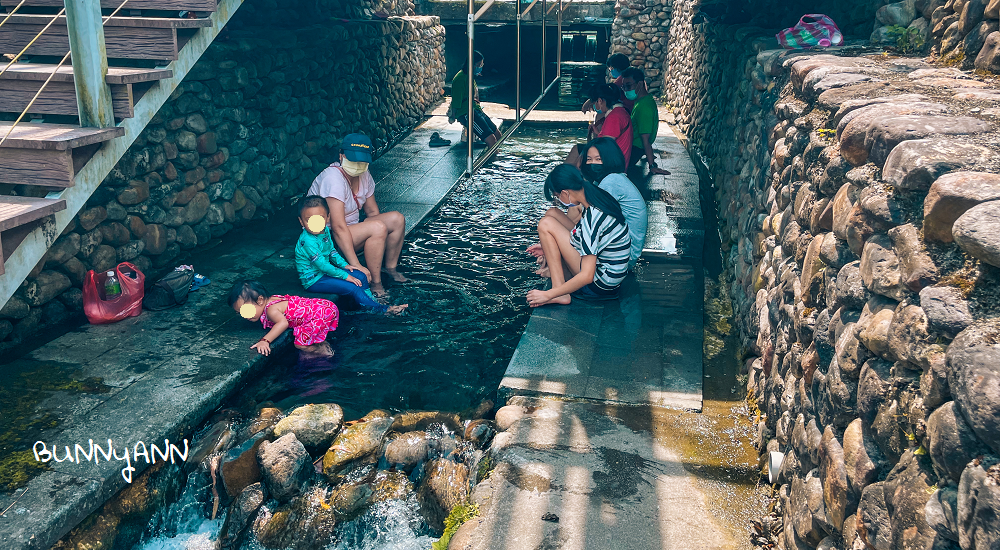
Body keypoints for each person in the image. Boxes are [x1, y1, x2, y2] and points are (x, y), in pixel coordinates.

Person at [307, 133, 407, 297]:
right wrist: (355, 265)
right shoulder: (333, 179)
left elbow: (372, 212)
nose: (358, 165)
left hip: (351, 231)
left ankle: (390, 269)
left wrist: (375, 235)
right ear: (341, 156)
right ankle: (376, 283)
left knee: (397, 219)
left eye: (362, 161)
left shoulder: (364, 175)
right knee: (377, 228)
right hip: (328, 240)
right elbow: (338, 227)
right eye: (353, 160)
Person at [530, 137, 647, 271]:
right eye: (589, 159)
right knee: (553, 213)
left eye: (598, 159)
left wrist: (553, 245)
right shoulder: (606, 181)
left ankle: (557, 278)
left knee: (551, 225)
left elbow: (589, 223)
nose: (593, 164)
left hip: (621, 256)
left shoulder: (611, 182)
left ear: (610, 159)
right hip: (613, 247)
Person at [525, 163, 631, 307]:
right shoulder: (596, 196)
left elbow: (587, 276)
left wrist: (547, 295)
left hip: (600, 284)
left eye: (557, 197)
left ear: (565, 193)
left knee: (546, 224)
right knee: (552, 214)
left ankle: (560, 292)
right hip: (612, 272)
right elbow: (588, 237)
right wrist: (549, 247)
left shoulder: (593, 217)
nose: (560, 201)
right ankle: (557, 272)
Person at [295, 196, 408, 315]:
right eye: (309, 220)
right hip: (314, 280)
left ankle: (372, 303)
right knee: (353, 287)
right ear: (301, 221)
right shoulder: (308, 242)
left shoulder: (325, 231)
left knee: (361, 276)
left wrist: (345, 266)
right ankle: (383, 310)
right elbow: (323, 265)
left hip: (325, 273)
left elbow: (332, 252)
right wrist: (345, 276)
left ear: (328, 217)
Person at [228, 280, 339, 357]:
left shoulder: (270, 310)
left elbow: (282, 323)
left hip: (319, 314)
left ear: (260, 300)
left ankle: (324, 352)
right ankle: (319, 342)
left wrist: (265, 341)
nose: (244, 315)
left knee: (300, 344)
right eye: (240, 313)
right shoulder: (272, 299)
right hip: (323, 306)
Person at [566, 83, 633, 168]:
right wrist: (597, 132)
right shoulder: (620, 112)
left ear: (600, 101)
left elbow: (605, 147)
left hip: (611, 165)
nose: (594, 107)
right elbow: (609, 139)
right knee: (576, 150)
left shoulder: (614, 117)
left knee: (578, 162)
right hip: (614, 159)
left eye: (594, 103)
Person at [448, 50, 502, 147]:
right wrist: (453, 115)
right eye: (479, 65)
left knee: (498, 135)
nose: (480, 67)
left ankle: (497, 156)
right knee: (491, 140)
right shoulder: (460, 78)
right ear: (471, 64)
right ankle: (492, 160)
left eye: (481, 65)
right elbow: (456, 100)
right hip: (466, 113)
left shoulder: (469, 76)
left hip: (475, 109)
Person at [621, 67, 669, 175]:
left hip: (633, 151)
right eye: (623, 87)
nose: (626, 90)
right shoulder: (642, 101)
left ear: (640, 84)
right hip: (633, 148)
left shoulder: (644, 107)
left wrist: (652, 165)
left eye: (628, 86)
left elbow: (645, 139)